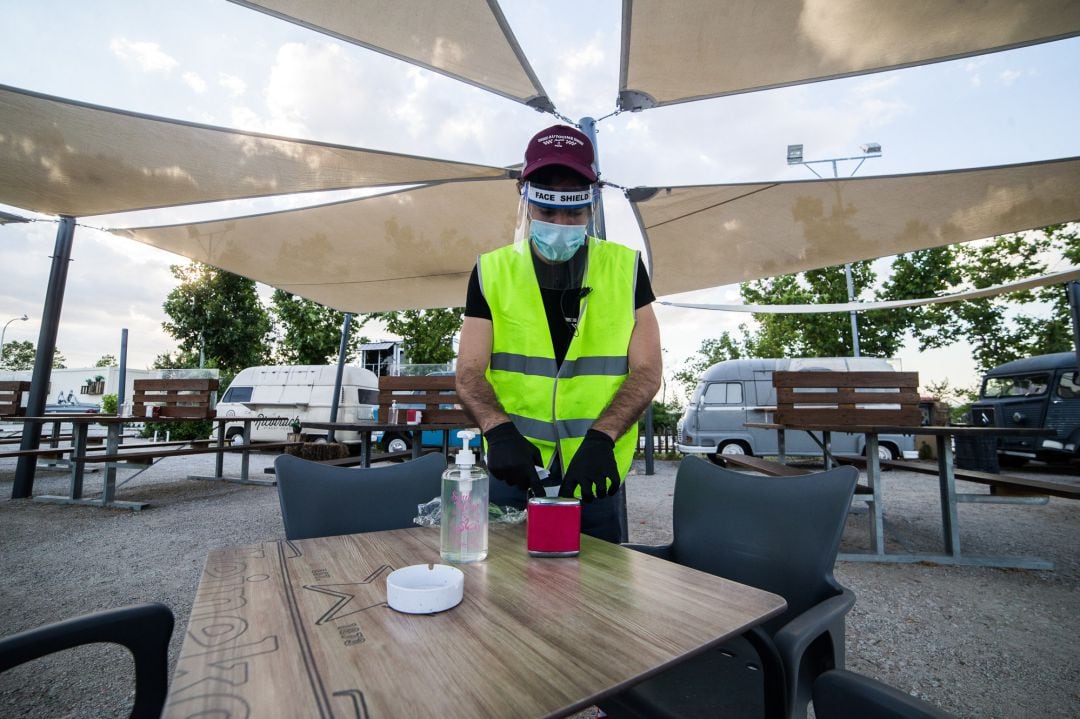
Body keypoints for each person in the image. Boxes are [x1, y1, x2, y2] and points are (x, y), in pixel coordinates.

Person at [456, 124, 662, 543]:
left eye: (574, 213)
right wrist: (498, 431)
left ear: (594, 199)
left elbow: (647, 370)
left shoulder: (626, 268)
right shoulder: (491, 271)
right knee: (502, 593)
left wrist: (604, 437)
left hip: (595, 470)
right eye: (547, 212)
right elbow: (469, 371)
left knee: (599, 593)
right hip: (515, 468)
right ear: (524, 194)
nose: (560, 225)